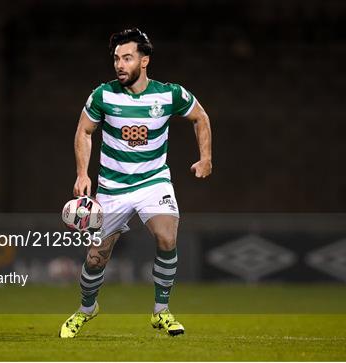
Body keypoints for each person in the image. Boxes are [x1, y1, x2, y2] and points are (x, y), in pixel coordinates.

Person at [59, 28, 212, 338]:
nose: (119, 64)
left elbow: (200, 117)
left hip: (153, 182)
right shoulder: (103, 95)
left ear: (144, 61)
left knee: (167, 237)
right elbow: (84, 131)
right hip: (113, 187)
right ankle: (87, 308)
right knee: (96, 256)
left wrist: (205, 158)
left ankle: (161, 311)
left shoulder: (169, 94)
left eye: (126, 58)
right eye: (116, 58)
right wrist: (82, 174)